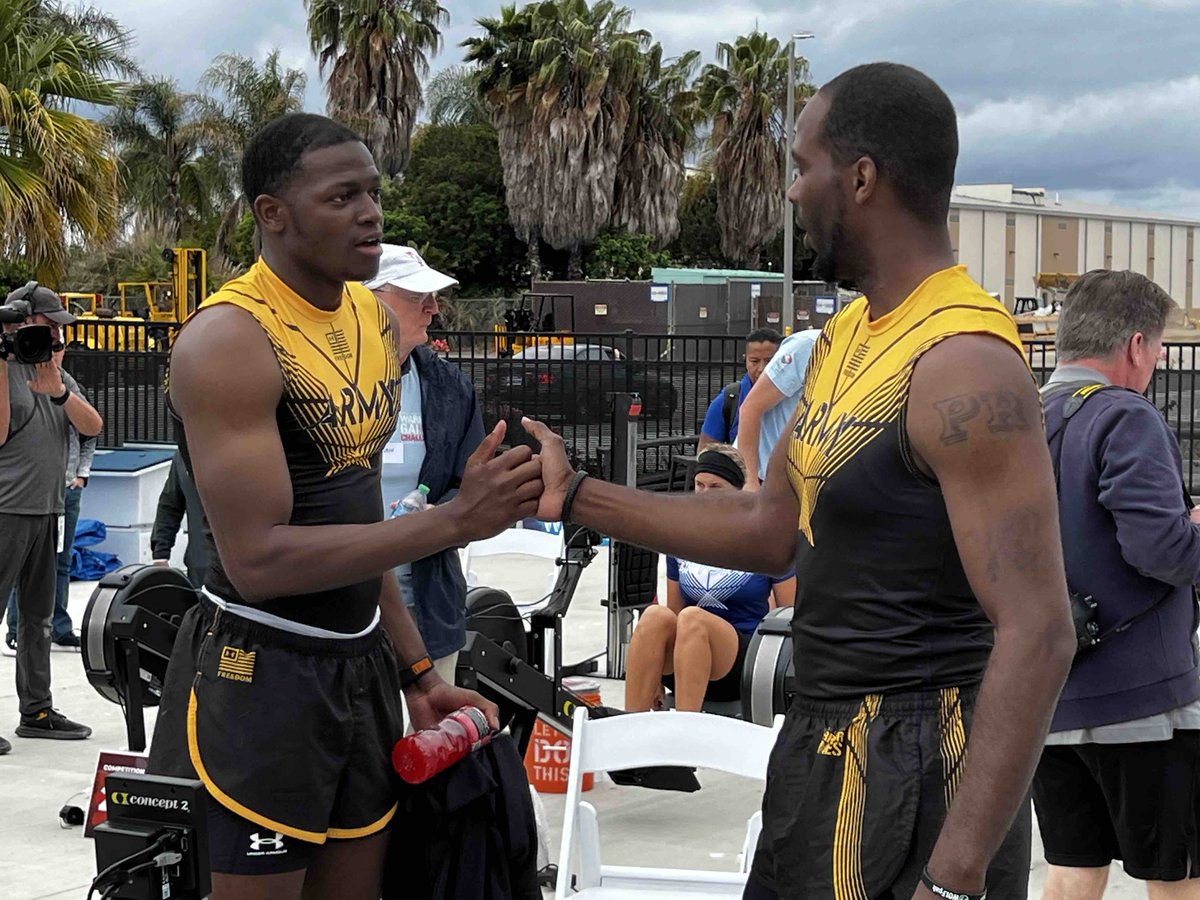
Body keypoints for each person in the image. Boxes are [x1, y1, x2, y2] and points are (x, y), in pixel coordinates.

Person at [525, 62, 1076, 900]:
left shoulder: (965, 361)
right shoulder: (848, 334)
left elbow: (1040, 632)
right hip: (821, 744)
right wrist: (578, 498)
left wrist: (957, 877)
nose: (790, 192)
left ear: (860, 179)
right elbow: (768, 526)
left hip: (918, 765)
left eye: (802, 165)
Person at [145, 113, 542, 899]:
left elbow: (359, 526)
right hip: (261, 668)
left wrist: (419, 674)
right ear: (273, 213)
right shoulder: (229, 339)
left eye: (373, 192)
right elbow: (257, 562)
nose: (371, 213)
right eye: (342, 196)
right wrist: (455, 521)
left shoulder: (368, 316)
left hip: (360, 665)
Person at [1032, 270, 1200, 900]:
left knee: (1072, 870)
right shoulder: (1126, 418)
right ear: (1135, 346)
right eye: (1157, 350)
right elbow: (1160, 551)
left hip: (1048, 693)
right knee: (1175, 875)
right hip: (1143, 700)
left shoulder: (1023, 416)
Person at [365, 243, 484, 686]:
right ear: (371, 300)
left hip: (428, 603)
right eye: (418, 297)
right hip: (345, 604)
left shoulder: (448, 386)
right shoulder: (322, 382)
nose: (434, 309)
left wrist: (444, 514)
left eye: (434, 297)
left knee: (433, 743)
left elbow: (470, 485)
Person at [0, 284, 102, 756]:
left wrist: (59, 390)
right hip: (6, 510)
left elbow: (93, 426)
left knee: (39, 618)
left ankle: (37, 711)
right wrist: (3, 360)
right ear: (25, 324)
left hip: (48, 509)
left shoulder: (55, 373)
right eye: (52, 326)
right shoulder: (6, 370)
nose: (60, 336)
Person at [624, 445, 795, 712]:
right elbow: (673, 613)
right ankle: (628, 727)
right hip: (687, 651)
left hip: (743, 657)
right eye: (700, 485)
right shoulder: (681, 539)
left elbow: (791, 615)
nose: (705, 494)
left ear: (738, 491)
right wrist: (654, 673)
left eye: (716, 487)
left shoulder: (764, 539)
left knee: (694, 619)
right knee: (655, 616)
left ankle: (687, 730)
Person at [4, 347, 95, 655]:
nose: (53, 350)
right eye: (47, 342)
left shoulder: (67, 384)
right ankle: (14, 629)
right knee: (18, 572)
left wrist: (82, 473)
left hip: (62, 494)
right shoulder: (13, 377)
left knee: (61, 563)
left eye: (58, 345)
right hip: (17, 499)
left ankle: (60, 627)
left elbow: (91, 431)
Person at [735, 327, 821, 487]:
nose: (761, 368)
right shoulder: (809, 346)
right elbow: (750, 409)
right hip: (766, 477)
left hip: (807, 477)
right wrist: (750, 482)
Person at [698, 329, 782, 451]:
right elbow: (706, 453)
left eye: (770, 362)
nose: (762, 369)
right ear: (745, 359)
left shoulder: (798, 400)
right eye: (755, 361)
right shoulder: (728, 400)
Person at [150, 449, 210, 587]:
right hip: (200, 568)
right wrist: (160, 554)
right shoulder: (184, 454)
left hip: (245, 571)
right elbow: (170, 505)